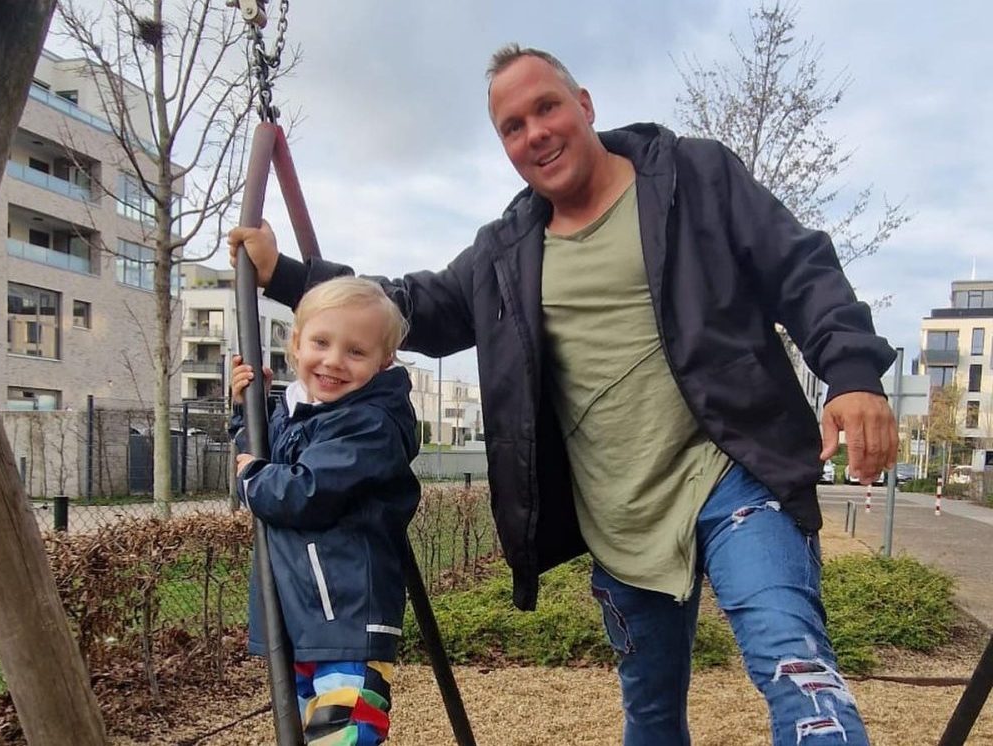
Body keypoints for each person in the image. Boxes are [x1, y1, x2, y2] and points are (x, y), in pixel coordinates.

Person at [229, 44, 897, 746]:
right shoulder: (507, 252)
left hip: (735, 474)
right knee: (652, 712)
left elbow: (799, 267)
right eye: (512, 127)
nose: (535, 133)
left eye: (546, 107)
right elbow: (408, 307)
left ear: (584, 105)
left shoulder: (691, 177)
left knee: (796, 669)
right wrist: (288, 275)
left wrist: (852, 372)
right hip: (621, 510)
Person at [230, 276, 420, 746]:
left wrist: (252, 478)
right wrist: (247, 411)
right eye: (321, 342)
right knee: (310, 731)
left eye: (355, 351)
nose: (334, 360)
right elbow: (261, 459)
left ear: (383, 362)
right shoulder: (301, 412)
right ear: (296, 344)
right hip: (302, 612)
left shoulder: (369, 424)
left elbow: (305, 491)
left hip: (347, 616)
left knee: (344, 734)